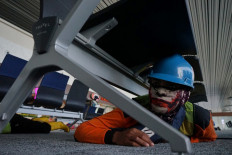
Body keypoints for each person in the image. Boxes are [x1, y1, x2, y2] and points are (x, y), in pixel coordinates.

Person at [74, 54, 217, 146]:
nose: (160, 92)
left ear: (186, 94)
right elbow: (83, 130)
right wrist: (117, 136)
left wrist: (182, 140)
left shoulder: (200, 118)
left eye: (171, 87)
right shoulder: (133, 108)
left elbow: (210, 140)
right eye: (156, 84)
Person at [1, 114, 69, 134]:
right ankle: (37, 120)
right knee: (32, 124)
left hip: (9, 121)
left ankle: (59, 124)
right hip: (10, 125)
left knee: (42, 128)